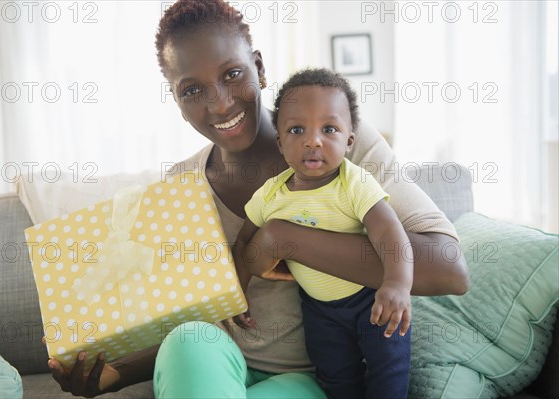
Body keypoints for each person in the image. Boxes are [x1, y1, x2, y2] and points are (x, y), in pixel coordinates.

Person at [47, 1, 469, 397]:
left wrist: (286, 239)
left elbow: (449, 269)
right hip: (219, 362)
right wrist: (115, 375)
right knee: (186, 343)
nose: (220, 103)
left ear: (259, 68)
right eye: (192, 90)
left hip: (311, 376)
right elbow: (199, 324)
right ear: (177, 103)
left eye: (231, 74)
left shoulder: (339, 144)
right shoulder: (180, 187)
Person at [233, 68, 412, 398]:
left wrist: (397, 284)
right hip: (318, 310)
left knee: (389, 374)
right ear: (281, 143)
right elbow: (243, 242)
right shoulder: (270, 196)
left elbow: (389, 232)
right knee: (335, 378)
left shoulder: (353, 183)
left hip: (371, 299)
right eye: (297, 129)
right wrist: (239, 290)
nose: (312, 140)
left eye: (329, 129)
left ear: (349, 141)